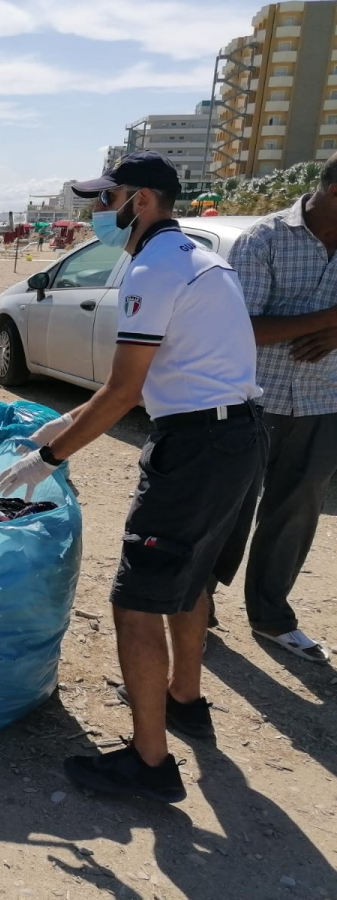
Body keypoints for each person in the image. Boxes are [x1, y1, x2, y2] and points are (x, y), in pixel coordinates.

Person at [0, 151, 265, 804]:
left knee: (137, 600)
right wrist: (58, 426)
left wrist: (48, 460)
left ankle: (150, 764)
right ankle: (185, 699)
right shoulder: (197, 256)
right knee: (189, 575)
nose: (95, 214)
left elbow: (123, 392)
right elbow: (132, 387)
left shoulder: (152, 269)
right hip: (238, 434)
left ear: (139, 202)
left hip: (197, 447)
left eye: (103, 200)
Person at [208, 155, 337, 664]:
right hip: (251, 398)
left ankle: (271, 616)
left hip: (325, 399)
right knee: (226, 507)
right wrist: (328, 319)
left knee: (296, 510)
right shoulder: (265, 239)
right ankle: (198, 603)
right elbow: (244, 328)